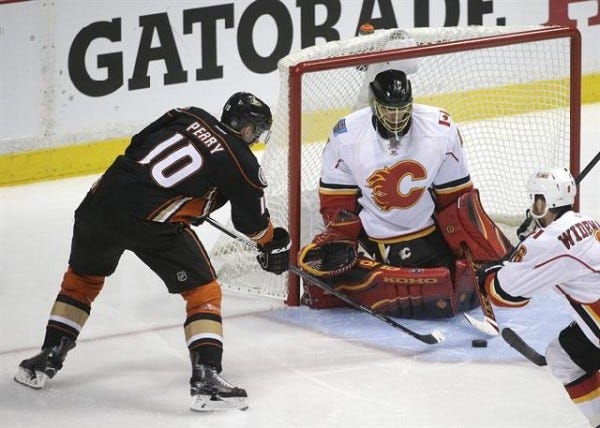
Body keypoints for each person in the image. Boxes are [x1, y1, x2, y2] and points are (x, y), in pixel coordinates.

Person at [13, 92, 291, 412]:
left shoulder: (188, 112)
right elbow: (251, 223)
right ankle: (207, 379)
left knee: (82, 279)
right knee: (204, 291)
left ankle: (45, 358)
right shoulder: (242, 160)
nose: (255, 139)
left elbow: (137, 145)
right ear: (247, 129)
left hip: (99, 201)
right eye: (257, 131)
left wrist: (187, 199)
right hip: (150, 222)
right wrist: (272, 241)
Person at [298, 68, 512, 319]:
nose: (396, 117)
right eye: (389, 110)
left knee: (456, 282)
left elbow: (454, 196)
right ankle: (352, 281)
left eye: (402, 109)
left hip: (425, 223)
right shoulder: (347, 136)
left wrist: (465, 236)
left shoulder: (439, 129)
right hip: (379, 230)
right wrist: (343, 234)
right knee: (426, 292)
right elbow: (338, 199)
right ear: (374, 106)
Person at [477, 167, 599, 427]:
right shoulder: (587, 221)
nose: (533, 206)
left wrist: (489, 274)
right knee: (562, 355)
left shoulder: (549, 239)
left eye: (536, 199)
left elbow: (505, 295)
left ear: (546, 202)